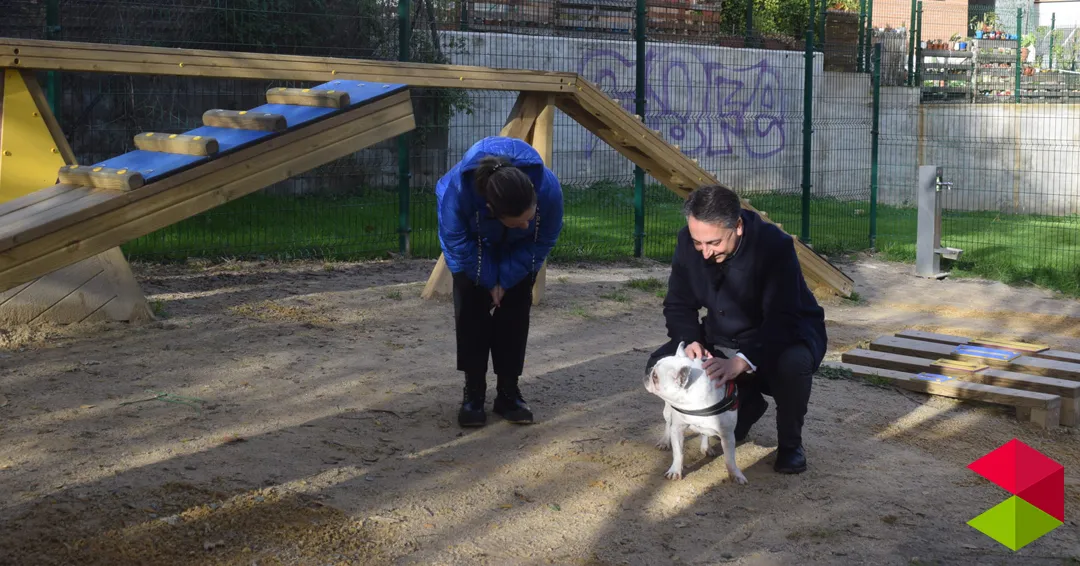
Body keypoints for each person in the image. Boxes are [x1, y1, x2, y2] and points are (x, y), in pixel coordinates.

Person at [644, 184, 827, 474]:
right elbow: (678, 303)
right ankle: (747, 404)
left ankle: (791, 444)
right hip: (723, 330)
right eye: (697, 243)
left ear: (738, 226)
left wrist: (742, 361)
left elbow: (783, 316)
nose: (704, 253)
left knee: (792, 365)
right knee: (660, 362)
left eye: (713, 243)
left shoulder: (774, 246)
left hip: (784, 333)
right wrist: (690, 339)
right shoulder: (687, 243)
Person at [435, 136, 564, 428]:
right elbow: (457, 242)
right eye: (518, 221)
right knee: (470, 308)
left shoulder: (548, 190)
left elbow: (541, 238)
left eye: (530, 216)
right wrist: (487, 278)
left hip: (521, 250)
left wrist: (505, 280)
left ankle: (508, 392)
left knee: (516, 309)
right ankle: (474, 392)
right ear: (492, 210)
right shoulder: (457, 194)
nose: (526, 224)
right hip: (472, 246)